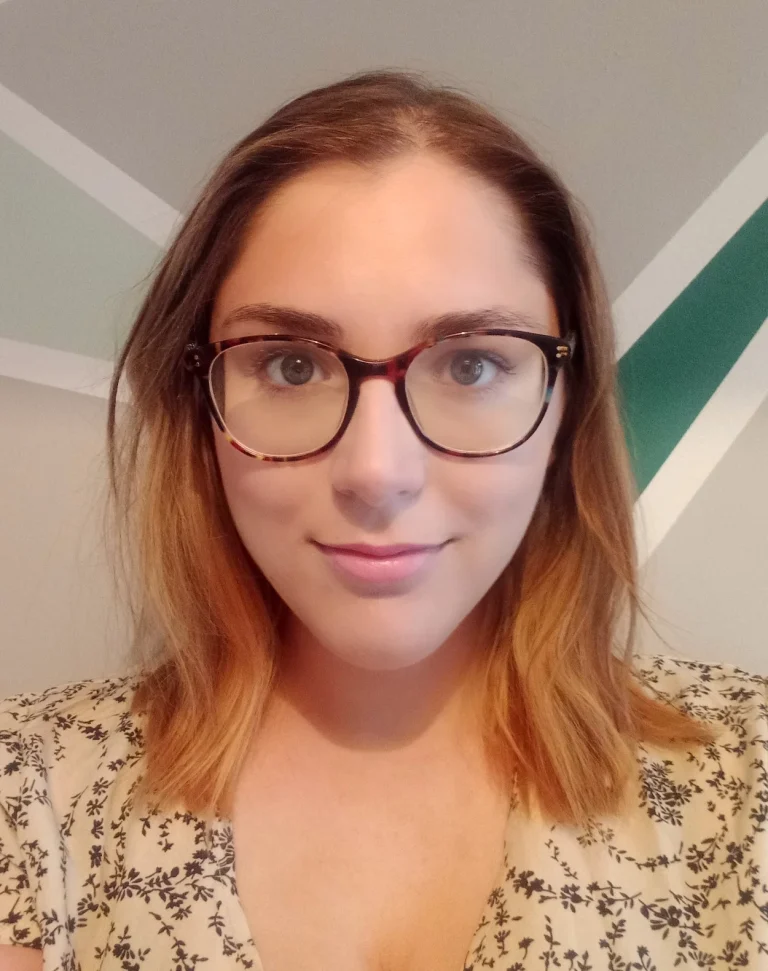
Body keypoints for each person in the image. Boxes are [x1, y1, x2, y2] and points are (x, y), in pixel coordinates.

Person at [0, 68, 766, 971]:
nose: (377, 472)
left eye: (473, 364)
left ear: (566, 404)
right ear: (198, 407)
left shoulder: (746, 781)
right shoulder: (30, 793)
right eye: (289, 365)